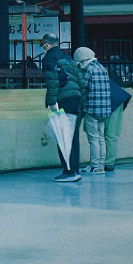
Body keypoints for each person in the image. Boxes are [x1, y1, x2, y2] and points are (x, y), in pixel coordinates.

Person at [41, 33, 85, 182]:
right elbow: (81, 81)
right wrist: (81, 100)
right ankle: (75, 169)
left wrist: (52, 104)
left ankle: (68, 171)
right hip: (76, 100)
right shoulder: (69, 58)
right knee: (74, 137)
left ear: (46, 45)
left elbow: (52, 83)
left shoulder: (49, 58)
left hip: (63, 101)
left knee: (63, 136)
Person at [73, 47, 111, 174]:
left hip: (92, 108)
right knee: (101, 137)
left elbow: (84, 89)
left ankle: (95, 165)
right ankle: (101, 164)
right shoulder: (102, 68)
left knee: (93, 138)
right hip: (104, 109)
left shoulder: (88, 69)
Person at [104, 80, 132, 172]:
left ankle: (108, 163)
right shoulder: (97, 69)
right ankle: (110, 161)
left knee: (110, 135)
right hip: (120, 98)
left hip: (112, 100)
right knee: (113, 134)